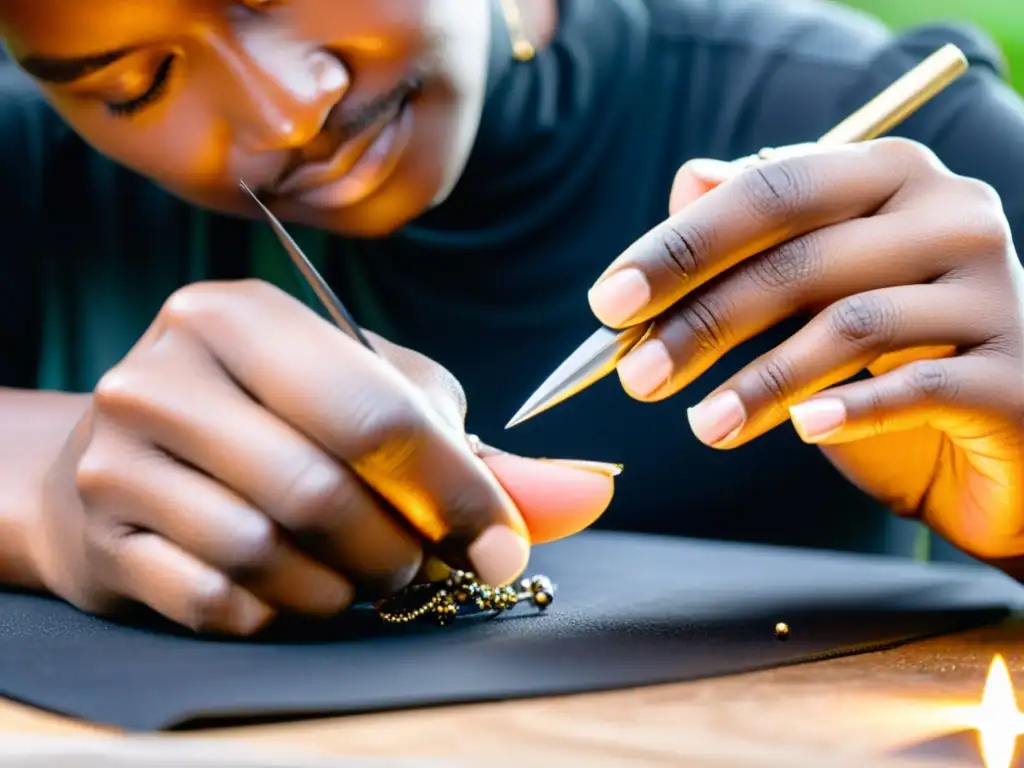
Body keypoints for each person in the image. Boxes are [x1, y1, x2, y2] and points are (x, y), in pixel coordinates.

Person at [0, 0, 1021, 636]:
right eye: (134, 87)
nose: (284, 115)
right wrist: (42, 488)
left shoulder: (877, 143)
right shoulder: (32, 176)